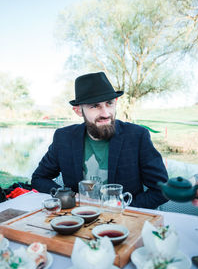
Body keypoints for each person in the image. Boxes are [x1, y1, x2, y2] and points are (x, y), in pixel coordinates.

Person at [31, 72, 168, 209]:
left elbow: (162, 190)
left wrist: (122, 206)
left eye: (109, 103)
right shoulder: (64, 138)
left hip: (124, 220)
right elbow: (39, 178)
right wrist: (69, 196)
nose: (105, 113)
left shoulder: (137, 136)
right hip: (79, 218)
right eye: (94, 106)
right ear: (78, 111)